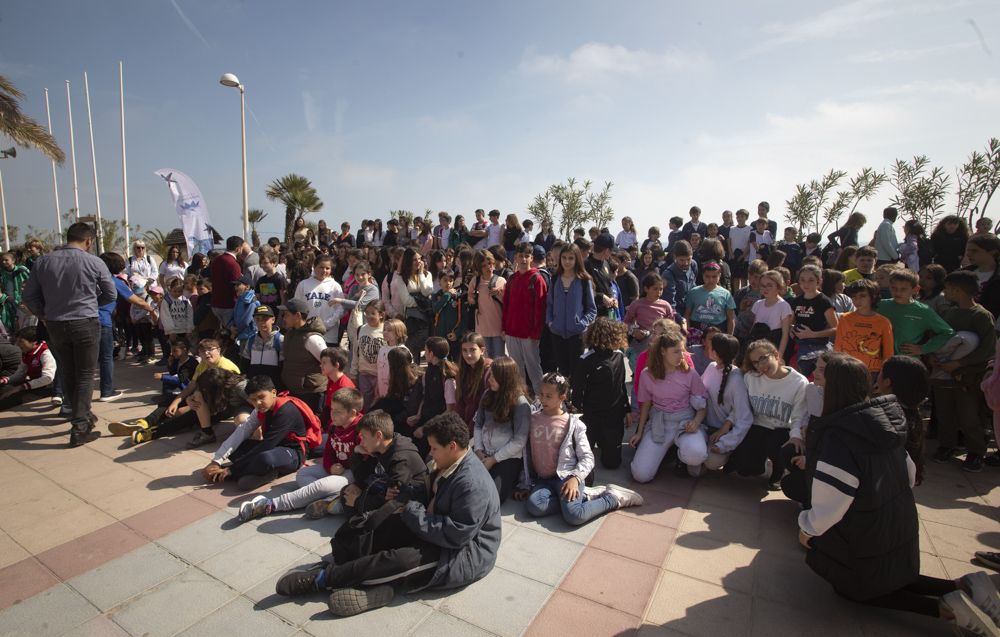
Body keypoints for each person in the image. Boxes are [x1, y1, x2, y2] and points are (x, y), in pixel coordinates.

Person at [798, 354, 1000, 636]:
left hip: (865, 534)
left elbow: (831, 505)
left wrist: (807, 526)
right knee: (888, 577)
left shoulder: (840, 433)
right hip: (898, 527)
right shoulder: (882, 420)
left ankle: (945, 608)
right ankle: (965, 586)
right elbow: (909, 473)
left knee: (853, 589)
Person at [275, 411, 500, 617]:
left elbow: (457, 534)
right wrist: (407, 494)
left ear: (452, 446)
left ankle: (325, 579)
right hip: (435, 526)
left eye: (434, 448)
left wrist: (412, 509)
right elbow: (426, 492)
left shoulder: (472, 483)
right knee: (382, 524)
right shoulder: (447, 461)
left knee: (400, 560)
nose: (430, 453)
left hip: (462, 553)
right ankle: (374, 581)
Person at [22, 222, 116, 447]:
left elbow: (29, 296)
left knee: (68, 371)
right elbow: (110, 293)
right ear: (88, 241)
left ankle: (82, 416)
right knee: (84, 374)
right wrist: (92, 304)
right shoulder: (94, 261)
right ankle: (80, 426)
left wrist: (44, 313)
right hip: (85, 321)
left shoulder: (43, 262)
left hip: (55, 324)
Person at [516, 372, 643, 524]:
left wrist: (575, 478)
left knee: (575, 515)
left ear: (562, 398)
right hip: (544, 480)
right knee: (534, 506)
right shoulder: (533, 419)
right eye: (541, 394)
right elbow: (527, 454)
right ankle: (584, 496)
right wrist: (525, 482)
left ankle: (613, 498)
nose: (543, 399)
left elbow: (587, 458)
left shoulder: (573, 424)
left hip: (567, 477)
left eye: (549, 396)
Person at [238, 387, 363, 521]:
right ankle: (332, 499)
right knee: (303, 474)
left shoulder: (361, 430)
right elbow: (328, 452)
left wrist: (356, 483)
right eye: (332, 409)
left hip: (354, 473)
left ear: (353, 413)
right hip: (337, 469)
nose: (332, 414)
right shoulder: (334, 426)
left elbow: (366, 463)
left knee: (323, 485)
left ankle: (270, 505)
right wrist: (330, 466)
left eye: (338, 412)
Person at [931, 270, 996, 473]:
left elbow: (987, 349)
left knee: (970, 416)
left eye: (948, 288)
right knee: (945, 412)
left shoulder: (982, 316)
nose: (946, 292)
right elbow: (939, 338)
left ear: (957, 290)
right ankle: (947, 445)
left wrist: (960, 364)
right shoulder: (950, 312)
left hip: (968, 377)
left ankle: (976, 451)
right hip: (943, 374)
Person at [202, 375, 316, 491]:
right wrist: (216, 461)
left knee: (265, 458)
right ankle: (264, 472)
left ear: (273, 393)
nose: (258, 403)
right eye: (253, 400)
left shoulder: (286, 411)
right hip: (273, 449)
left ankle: (234, 475)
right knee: (235, 448)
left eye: (261, 397)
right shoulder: (260, 410)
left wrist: (231, 469)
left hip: (293, 454)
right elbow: (242, 431)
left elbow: (267, 445)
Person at [729, 339, 808, 489]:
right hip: (758, 425)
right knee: (745, 469)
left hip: (782, 429)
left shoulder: (799, 382)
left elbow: (799, 415)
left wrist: (796, 436)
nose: (761, 365)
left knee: (774, 445)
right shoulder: (751, 378)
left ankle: (779, 470)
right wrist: (728, 423)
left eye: (763, 358)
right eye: (755, 362)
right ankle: (761, 464)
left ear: (776, 355)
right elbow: (741, 407)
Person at [629, 331, 709, 480]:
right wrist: (639, 432)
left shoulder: (690, 373)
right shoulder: (647, 374)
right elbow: (646, 404)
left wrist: (696, 422)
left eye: (683, 350)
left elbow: (703, 404)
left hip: (685, 422)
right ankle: (668, 454)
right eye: (676, 351)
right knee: (641, 475)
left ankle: (683, 455)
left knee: (696, 455)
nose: (682, 355)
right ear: (663, 352)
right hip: (660, 423)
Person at [571, 317, 630, 473]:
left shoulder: (618, 355)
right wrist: (579, 421)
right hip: (592, 417)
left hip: (613, 417)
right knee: (582, 459)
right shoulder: (585, 360)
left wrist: (627, 410)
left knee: (612, 463)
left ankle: (606, 443)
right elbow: (576, 394)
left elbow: (621, 385)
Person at [473, 356, 531, 503]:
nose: (489, 379)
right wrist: (479, 450)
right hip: (483, 452)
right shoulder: (487, 395)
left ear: (505, 378)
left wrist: (493, 460)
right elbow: (478, 425)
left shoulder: (520, 404)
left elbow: (519, 442)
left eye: (494, 376)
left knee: (493, 495)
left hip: (506, 457)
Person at [700, 332, 753, 472]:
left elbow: (744, 417)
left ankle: (732, 456)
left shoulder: (737, 379)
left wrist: (725, 444)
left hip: (721, 435)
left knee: (711, 462)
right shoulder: (711, 367)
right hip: (703, 428)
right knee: (694, 458)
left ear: (716, 353)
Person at [501, 243, 547, 395]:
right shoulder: (512, 279)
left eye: (527, 256)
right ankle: (521, 399)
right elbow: (506, 305)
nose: (523, 259)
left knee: (534, 368)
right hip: (511, 331)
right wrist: (504, 327)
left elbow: (540, 309)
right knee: (516, 369)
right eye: (520, 256)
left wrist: (536, 332)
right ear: (515, 257)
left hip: (529, 334)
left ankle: (542, 401)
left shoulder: (537, 279)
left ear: (531, 258)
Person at [546, 244, 597, 378]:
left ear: (577, 260)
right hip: (557, 333)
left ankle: (576, 399)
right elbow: (549, 304)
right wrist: (551, 322)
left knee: (577, 373)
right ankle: (564, 399)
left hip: (577, 335)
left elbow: (591, 309)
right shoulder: (555, 278)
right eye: (564, 258)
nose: (567, 261)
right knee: (562, 373)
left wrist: (581, 324)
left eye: (571, 258)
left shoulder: (584, 280)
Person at [877, 269, 954, 356]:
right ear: (889, 286)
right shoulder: (880, 305)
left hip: (906, 361)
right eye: (894, 288)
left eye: (903, 289)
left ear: (915, 289)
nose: (898, 292)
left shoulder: (923, 311)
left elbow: (947, 332)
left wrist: (923, 348)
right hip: (878, 359)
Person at [834, 279, 894, 381]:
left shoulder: (883, 322)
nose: (857, 300)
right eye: (854, 297)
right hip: (846, 369)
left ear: (873, 296)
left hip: (871, 372)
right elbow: (838, 346)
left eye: (862, 296)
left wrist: (884, 375)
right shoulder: (844, 318)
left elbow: (888, 352)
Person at [279, 298, 329, 413]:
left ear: (297, 316)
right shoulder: (290, 334)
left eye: (286, 315)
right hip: (294, 391)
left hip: (311, 394)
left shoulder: (312, 338)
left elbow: (327, 363)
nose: (284, 318)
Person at [790, 264, 838, 378]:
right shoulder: (796, 301)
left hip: (818, 345)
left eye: (811, 280)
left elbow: (836, 328)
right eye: (803, 280)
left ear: (819, 281)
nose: (806, 284)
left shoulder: (824, 301)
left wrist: (813, 334)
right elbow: (791, 322)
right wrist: (791, 330)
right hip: (799, 343)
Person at [0, 326, 57, 410]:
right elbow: (20, 373)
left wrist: (22, 387)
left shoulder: (45, 352)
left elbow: (48, 378)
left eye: (21, 341)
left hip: (47, 387)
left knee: (9, 399)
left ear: (34, 342)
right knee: (5, 390)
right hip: (33, 384)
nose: (17, 344)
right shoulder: (27, 353)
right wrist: (6, 380)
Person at [294, 256, 344, 348]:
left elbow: (341, 309)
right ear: (314, 266)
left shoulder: (335, 286)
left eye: (327, 268)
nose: (324, 270)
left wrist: (328, 324)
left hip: (329, 334)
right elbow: (297, 307)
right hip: (308, 332)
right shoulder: (303, 284)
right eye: (321, 267)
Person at [467, 249, 506, 359]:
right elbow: (469, 298)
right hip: (481, 329)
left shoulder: (501, 281)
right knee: (485, 361)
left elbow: (507, 304)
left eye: (489, 263)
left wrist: (499, 294)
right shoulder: (475, 281)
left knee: (499, 361)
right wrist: (472, 299)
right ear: (479, 267)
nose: (488, 267)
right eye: (484, 265)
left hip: (498, 328)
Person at [351, 301, 386, 411]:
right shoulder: (361, 329)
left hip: (380, 377)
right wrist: (353, 372)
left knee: (378, 406)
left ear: (381, 315)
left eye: (372, 313)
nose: (369, 316)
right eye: (367, 313)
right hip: (364, 374)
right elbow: (356, 352)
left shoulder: (387, 329)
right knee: (365, 406)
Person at [750, 271, 793, 359]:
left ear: (778, 286)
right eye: (763, 285)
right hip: (758, 346)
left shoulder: (783, 306)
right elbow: (753, 327)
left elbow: (785, 335)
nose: (766, 288)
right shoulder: (758, 304)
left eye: (769, 285)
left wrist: (779, 356)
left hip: (773, 346)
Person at [241, 306, 283, 385]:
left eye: (265, 319)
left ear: (273, 320)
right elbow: (245, 365)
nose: (261, 322)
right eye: (257, 319)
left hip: (273, 388)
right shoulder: (250, 340)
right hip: (254, 387)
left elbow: (284, 368)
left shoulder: (281, 340)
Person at [209, 236, 245, 328]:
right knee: (231, 333)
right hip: (228, 305)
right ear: (238, 248)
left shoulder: (216, 260)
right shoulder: (233, 264)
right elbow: (237, 286)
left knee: (222, 331)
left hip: (215, 303)